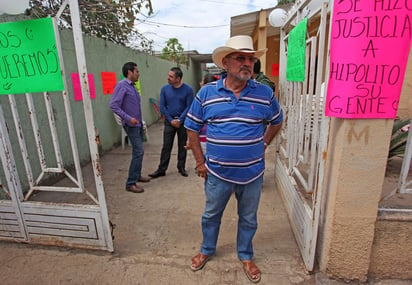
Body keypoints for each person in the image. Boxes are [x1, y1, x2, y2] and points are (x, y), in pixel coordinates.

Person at [184, 35, 283, 283]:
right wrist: (199, 161)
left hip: (253, 174)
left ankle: (246, 255)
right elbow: (192, 128)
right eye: (241, 58)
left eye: (250, 58)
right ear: (226, 63)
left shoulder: (264, 93)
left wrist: (265, 143)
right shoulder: (206, 94)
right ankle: (207, 249)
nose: (247, 63)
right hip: (217, 173)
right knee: (211, 215)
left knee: (248, 218)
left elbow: (277, 121)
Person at [109, 62, 151, 193]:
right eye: (137, 71)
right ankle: (130, 183)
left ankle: (136, 175)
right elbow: (114, 105)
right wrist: (128, 118)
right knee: (138, 152)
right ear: (129, 72)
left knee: (139, 152)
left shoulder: (132, 86)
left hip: (137, 124)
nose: (138, 73)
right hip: (131, 125)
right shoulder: (122, 86)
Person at [149, 67, 194, 178]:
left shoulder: (188, 90)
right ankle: (161, 169)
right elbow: (162, 106)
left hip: (182, 122)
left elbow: (189, 106)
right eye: (168, 75)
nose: (168, 78)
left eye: (171, 76)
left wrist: (180, 120)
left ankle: (181, 167)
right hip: (169, 122)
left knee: (182, 145)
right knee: (166, 146)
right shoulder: (165, 89)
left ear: (178, 78)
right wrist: (171, 120)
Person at [185, 73, 220, 153]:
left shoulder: (201, 99)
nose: (200, 83)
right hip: (215, 140)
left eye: (202, 81)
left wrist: (190, 140)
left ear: (205, 85)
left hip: (203, 141)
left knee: (203, 162)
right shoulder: (218, 99)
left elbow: (193, 123)